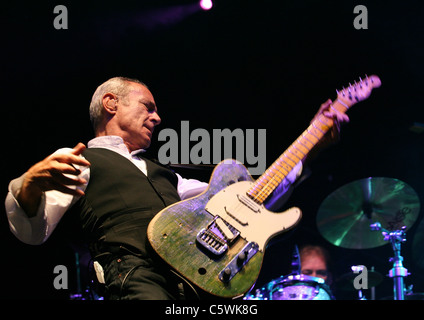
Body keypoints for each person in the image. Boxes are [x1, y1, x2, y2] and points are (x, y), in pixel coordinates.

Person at [5, 76, 348, 300]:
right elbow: (33, 230)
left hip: (195, 287)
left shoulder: (168, 176)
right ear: (111, 103)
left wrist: (312, 141)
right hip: (134, 280)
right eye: (147, 107)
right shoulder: (77, 159)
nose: (156, 118)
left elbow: (252, 197)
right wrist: (29, 184)